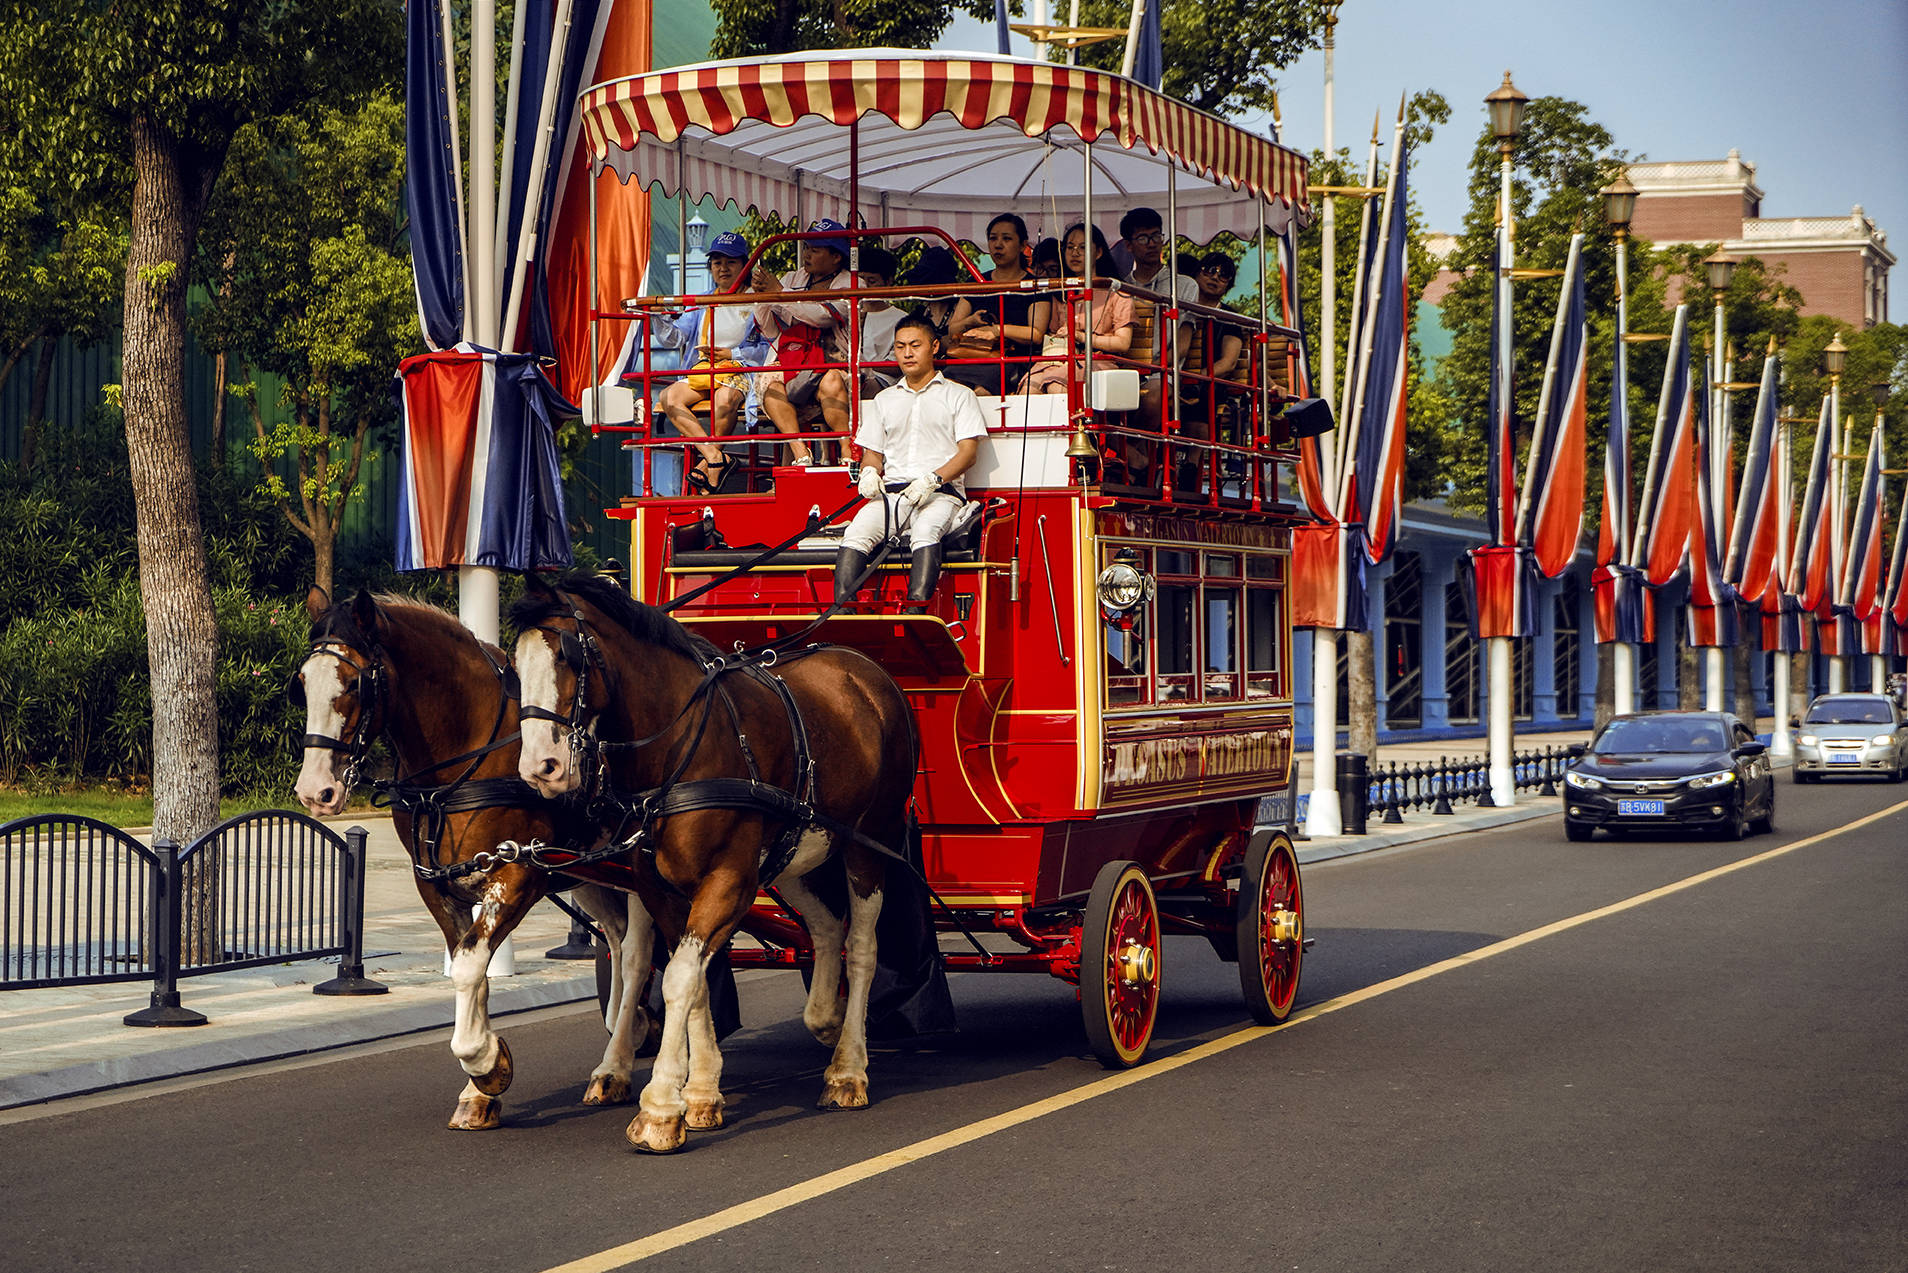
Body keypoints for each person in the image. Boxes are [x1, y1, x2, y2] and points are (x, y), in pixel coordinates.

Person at [834, 313, 988, 612]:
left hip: (940, 495)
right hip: (892, 495)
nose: (907, 353)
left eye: (915, 345)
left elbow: (968, 452)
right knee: (856, 532)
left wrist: (932, 480)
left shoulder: (959, 395)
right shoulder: (883, 399)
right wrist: (868, 471)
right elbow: (873, 452)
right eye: (900, 346)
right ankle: (843, 611)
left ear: (934, 347)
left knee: (925, 531)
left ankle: (918, 609)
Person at [634, 230, 776, 492]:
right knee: (668, 397)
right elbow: (674, 337)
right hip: (704, 370)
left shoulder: (757, 300)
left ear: (744, 266)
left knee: (725, 399)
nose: (723, 268)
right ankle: (713, 457)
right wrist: (657, 316)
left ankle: (708, 465)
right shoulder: (701, 302)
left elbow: (768, 347)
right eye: (717, 262)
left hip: (741, 369)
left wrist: (732, 355)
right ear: (710, 267)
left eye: (730, 262)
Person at [754, 218, 853, 463]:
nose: (806, 254)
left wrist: (780, 293)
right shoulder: (791, 279)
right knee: (769, 384)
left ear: (836, 257)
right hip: (793, 360)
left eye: (815, 250)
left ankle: (848, 454)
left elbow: (822, 316)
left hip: (834, 361)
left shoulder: (852, 282)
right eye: (807, 248)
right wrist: (762, 297)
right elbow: (768, 327)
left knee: (831, 381)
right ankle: (801, 453)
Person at [942, 213, 1051, 394]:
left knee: (981, 392)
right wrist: (971, 322)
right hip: (971, 357)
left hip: (1012, 361)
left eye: (1006, 239)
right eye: (993, 239)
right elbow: (953, 329)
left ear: (1023, 245)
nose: (998, 245)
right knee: (945, 390)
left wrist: (997, 330)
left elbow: (1036, 333)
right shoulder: (976, 281)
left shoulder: (1034, 285)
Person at [1022, 223, 1133, 395]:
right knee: (1028, 389)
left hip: (1098, 362)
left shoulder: (1116, 292)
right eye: (1070, 247)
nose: (1075, 253)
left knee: (1057, 387)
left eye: (1083, 247)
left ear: (1098, 252)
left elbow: (1123, 343)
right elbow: (1050, 333)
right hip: (1059, 360)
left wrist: (1081, 336)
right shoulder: (1060, 291)